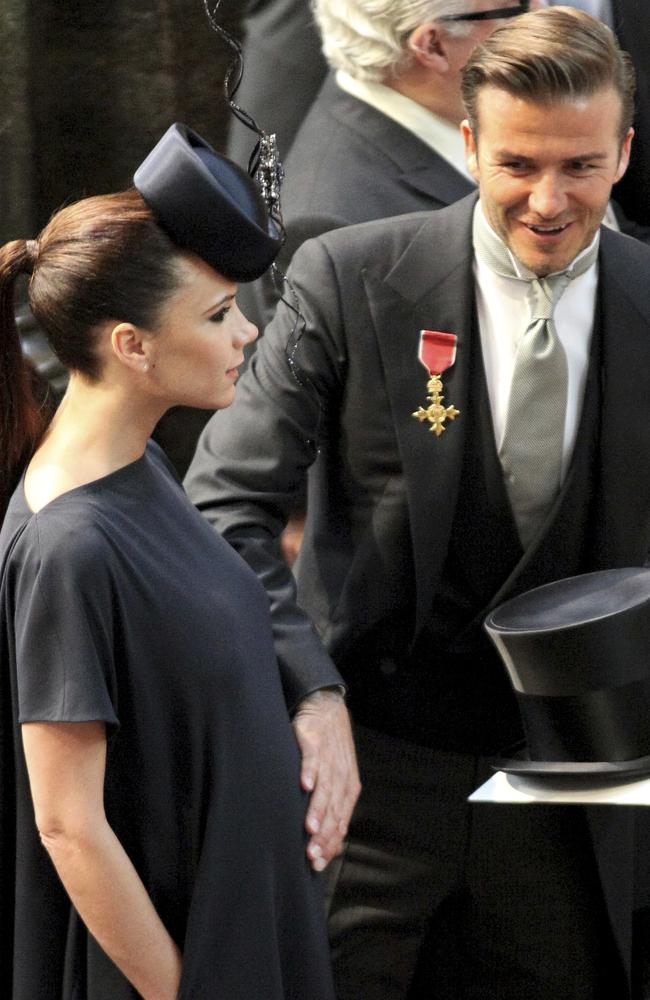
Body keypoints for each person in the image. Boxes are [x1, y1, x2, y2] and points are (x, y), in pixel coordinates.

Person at [185, 7, 650, 998]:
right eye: (517, 165)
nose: (546, 201)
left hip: (575, 801)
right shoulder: (346, 275)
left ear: (622, 152)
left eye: (579, 167)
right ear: (469, 142)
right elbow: (224, 504)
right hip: (371, 778)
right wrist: (305, 692)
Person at [0, 124, 338, 999]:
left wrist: (313, 699)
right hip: (181, 957)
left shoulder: (140, 465)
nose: (248, 332)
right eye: (219, 315)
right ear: (131, 346)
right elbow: (67, 824)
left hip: (238, 916)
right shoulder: (69, 547)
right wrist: (181, 987)